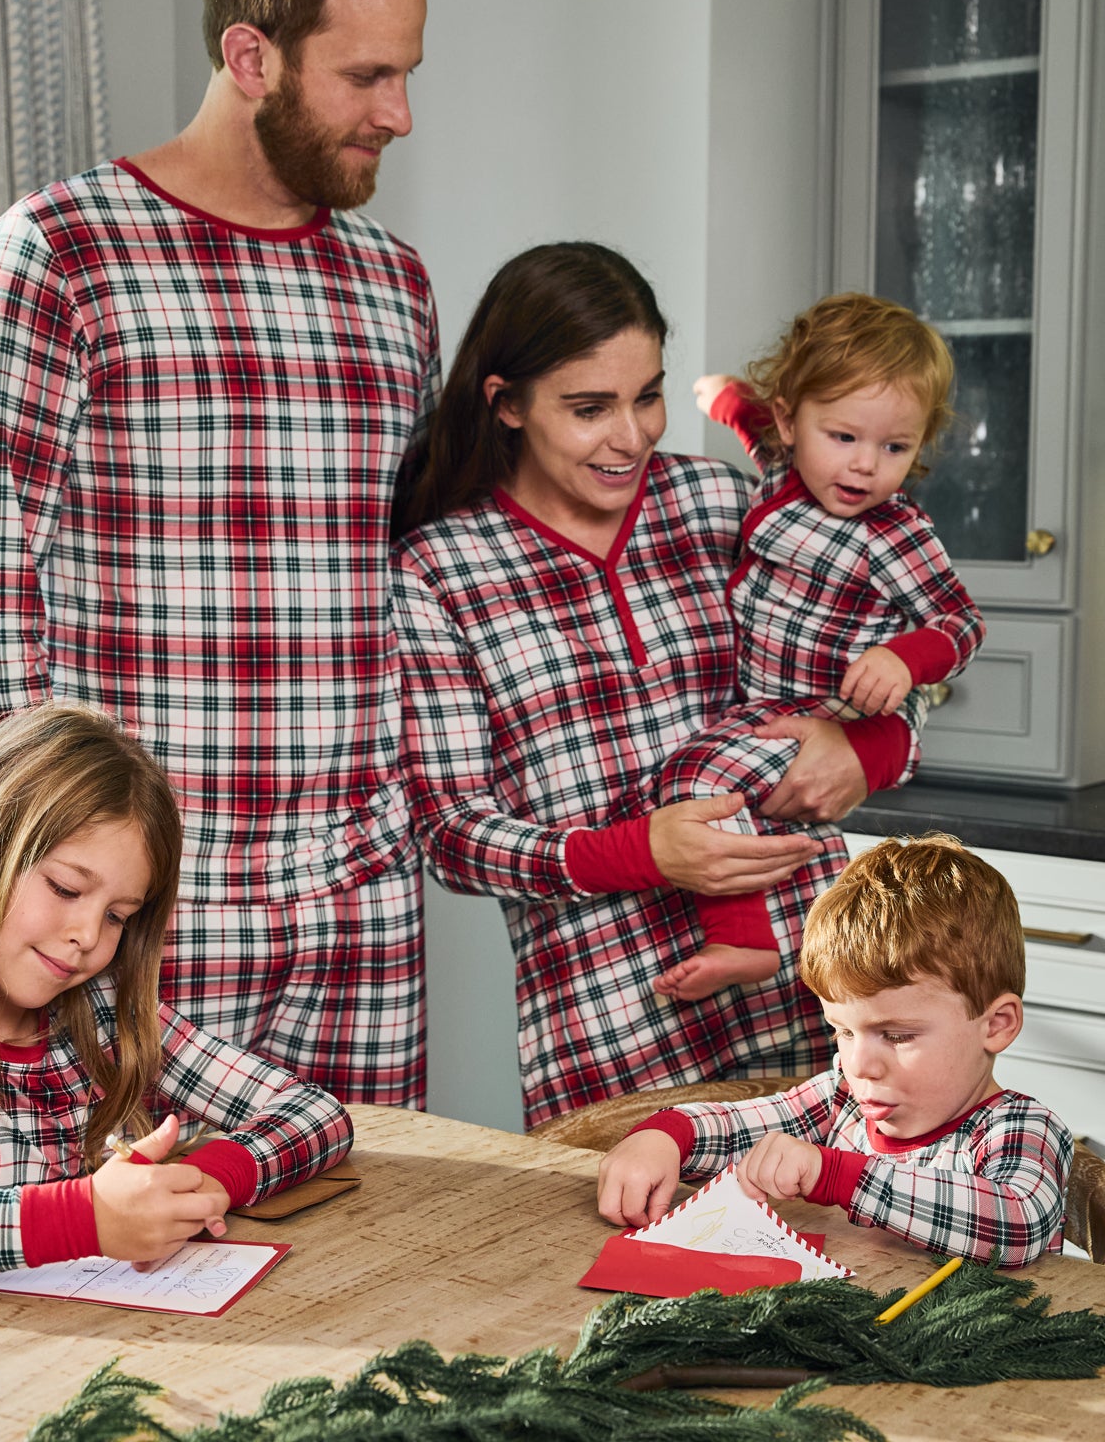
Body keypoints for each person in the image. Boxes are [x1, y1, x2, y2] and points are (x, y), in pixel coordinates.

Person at [0, 0, 439, 1106]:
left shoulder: (395, 285)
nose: (402, 114)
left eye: (406, 72)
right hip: (151, 914)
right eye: (364, 76)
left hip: (360, 902)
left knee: (373, 1257)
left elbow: (425, 581)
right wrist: (47, 878)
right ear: (251, 55)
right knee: (140, 1273)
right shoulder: (60, 251)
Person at [392, 243, 920, 1128]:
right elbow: (449, 834)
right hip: (612, 1025)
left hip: (817, 986)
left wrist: (866, 751)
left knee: (847, 1259)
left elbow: (888, 666)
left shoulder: (725, 505)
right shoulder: (440, 571)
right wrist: (643, 853)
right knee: (640, 1266)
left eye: (648, 396)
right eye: (590, 408)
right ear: (507, 404)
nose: (632, 434)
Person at [0, 703, 353, 1292]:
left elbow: (315, 1113)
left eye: (118, 916)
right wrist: (84, 1218)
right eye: (66, 888)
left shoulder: (102, 1020)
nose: (88, 937)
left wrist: (201, 1183)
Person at [652, 293, 984, 1005]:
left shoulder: (893, 532)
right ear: (790, 421)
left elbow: (959, 621)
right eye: (844, 438)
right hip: (767, 706)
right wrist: (724, 396)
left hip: (842, 719)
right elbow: (751, 421)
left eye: (895, 448)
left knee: (693, 778)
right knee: (711, 790)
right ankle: (766, 938)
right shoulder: (784, 473)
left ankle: (742, 941)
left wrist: (904, 659)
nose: (865, 467)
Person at [597, 835, 1072, 1269]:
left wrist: (836, 1176)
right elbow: (737, 1127)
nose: (859, 1065)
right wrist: (666, 1136)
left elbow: (1018, 1222)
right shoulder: (840, 1100)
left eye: (898, 1036)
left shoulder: (1020, 1127)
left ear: (996, 1025)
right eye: (843, 1032)